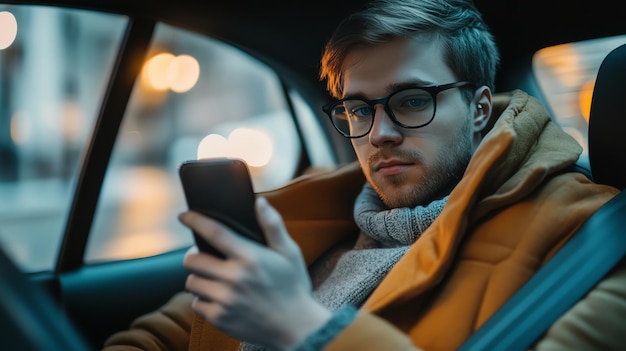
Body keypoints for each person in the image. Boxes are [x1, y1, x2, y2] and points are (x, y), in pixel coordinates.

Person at [102, 0, 625, 350]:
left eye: (413, 100)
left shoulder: (587, 240)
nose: (379, 134)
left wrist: (303, 325)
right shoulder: (313, 221)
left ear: (480, 109)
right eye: (358, 110)